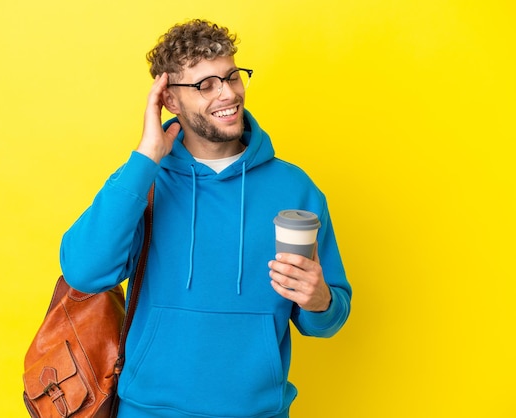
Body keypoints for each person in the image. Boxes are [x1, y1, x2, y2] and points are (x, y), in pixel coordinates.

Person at [60, 19, 352, 418]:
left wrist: (321, 300)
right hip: (146, 411)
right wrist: (146, 157)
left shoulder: (294, 188)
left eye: (232, 76)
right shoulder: (144, 182)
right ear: (170, 101)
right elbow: (84, 271)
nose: (228, 92)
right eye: (205, 84)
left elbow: (327, 320)